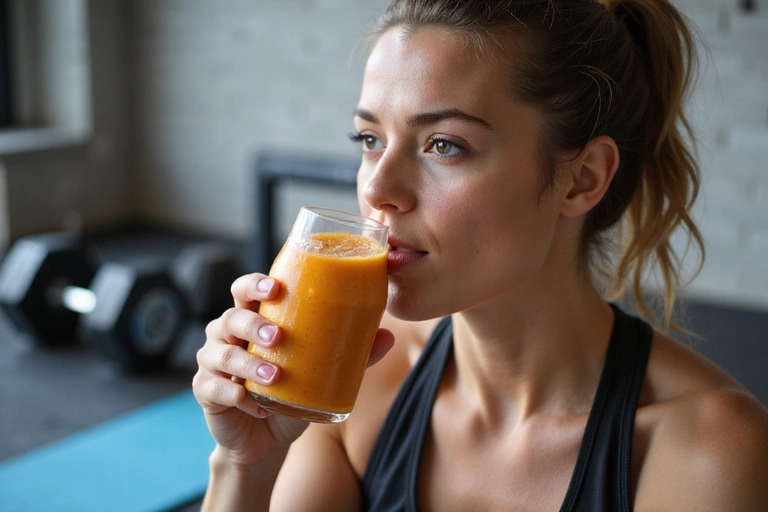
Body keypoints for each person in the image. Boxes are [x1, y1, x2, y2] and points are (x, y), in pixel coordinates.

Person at [193, 0, 768, 510]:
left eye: (444, 144)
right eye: (370, 139)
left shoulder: (705, 448)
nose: (375, 189)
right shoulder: (360, 378)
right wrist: (246, 465)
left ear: (581, 180)